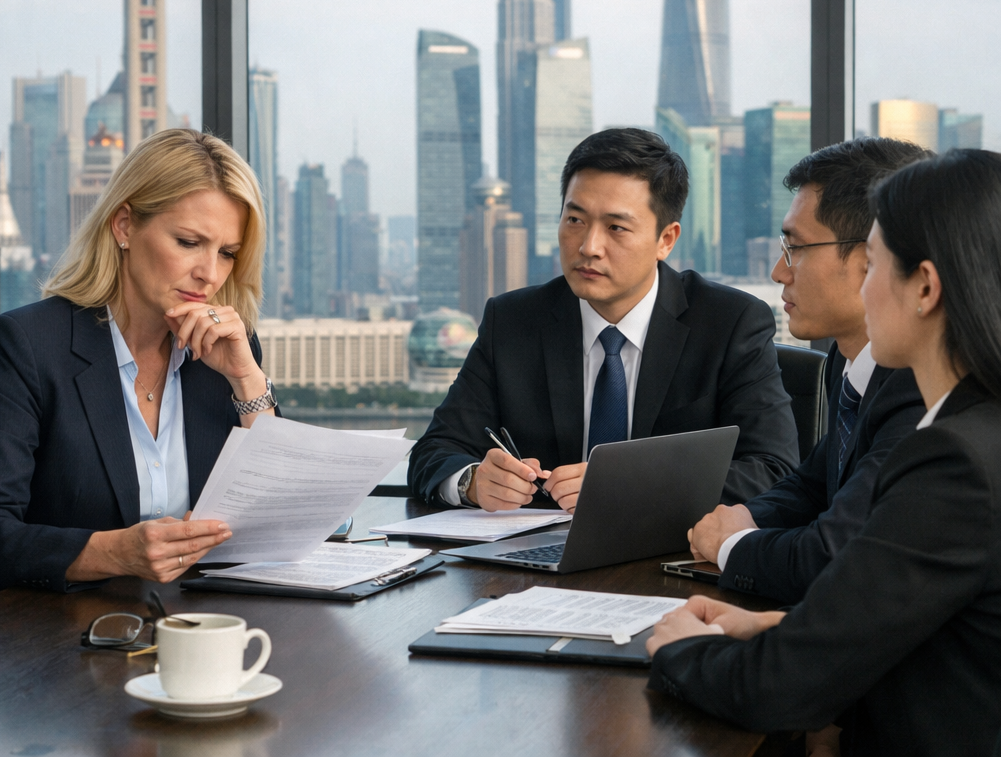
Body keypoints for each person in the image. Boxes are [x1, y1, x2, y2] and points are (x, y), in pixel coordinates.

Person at [646, 148, 1001, 757]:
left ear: (924, 287)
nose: (864, 287)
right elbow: (924, 618)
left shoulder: (954, 463)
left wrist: (679, 646)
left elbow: (776, 689)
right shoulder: (978, 428)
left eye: (876, 265)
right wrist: (777, 625)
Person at [408, 127, 799, 513]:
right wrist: (472, 481)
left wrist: (628, 484)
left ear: (666, 239)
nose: (588, 247)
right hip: (531, 559)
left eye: (616, 228)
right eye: (575, 220)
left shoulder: (730, 323)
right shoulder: (513, 322)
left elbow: (773, 471)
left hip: (665, 563)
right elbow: (434, 450)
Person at [0, 129, 280, 598]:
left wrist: (246, 379)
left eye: (227, 253)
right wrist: (113, 552)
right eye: (187, 242)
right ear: (124, 226)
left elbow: (278, 520)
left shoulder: (223, 351)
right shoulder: (24, 346)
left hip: (195, 629)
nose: (210, 273)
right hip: (53, 645)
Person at [687, 138, 929, 603]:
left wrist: (733, 544)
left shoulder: (922, 388)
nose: (779, 272)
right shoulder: (852, 358)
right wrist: (744, 519)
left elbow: (834, 554)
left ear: (870, 260)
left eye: (795, 248)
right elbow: (813, 485)